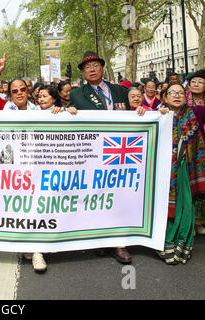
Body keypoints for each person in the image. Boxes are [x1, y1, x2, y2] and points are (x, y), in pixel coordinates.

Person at [70, 51, 132, 264]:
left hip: (118, 153)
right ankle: (98, 238)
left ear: (102, 68)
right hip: (92, 155)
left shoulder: (119, 91)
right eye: (88, 67)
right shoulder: (77, 95)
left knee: (118, 195)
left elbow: (133, 117)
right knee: (96, 196)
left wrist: (144, 113)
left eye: (96, 65)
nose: (92, 69)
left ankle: (119, 242)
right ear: (83, 72)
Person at [155, 83, 205, 264]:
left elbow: (198, 144)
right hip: (163, 170)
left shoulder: (193, 114)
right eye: (172, 93)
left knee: (185, 206)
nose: (177, 96)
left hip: (186, 168)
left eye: (181, 93)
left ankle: (182, 243)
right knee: (165, 207)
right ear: (165, 97)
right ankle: (166, 243)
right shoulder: (158, 116)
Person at [185, 69, 205, 234]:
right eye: (193, 82)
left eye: (200, 82)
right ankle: (192, 221)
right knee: (191, 184)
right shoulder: (182, 100)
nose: (196, 84)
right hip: (189, 147)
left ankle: (202, 220)